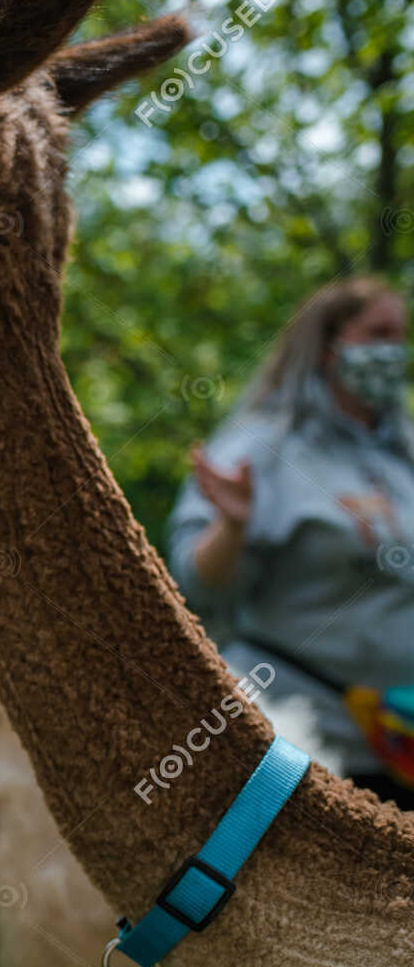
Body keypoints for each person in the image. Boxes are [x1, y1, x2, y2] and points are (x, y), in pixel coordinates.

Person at [167, 276, 413, 803]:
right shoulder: (260, 449)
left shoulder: (403, 453)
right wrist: (231, 527)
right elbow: (197, 589)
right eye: (378, 334)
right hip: (305, 743)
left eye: (401, 335)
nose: (394, 350)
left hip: (402, 744)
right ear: (328, 347)